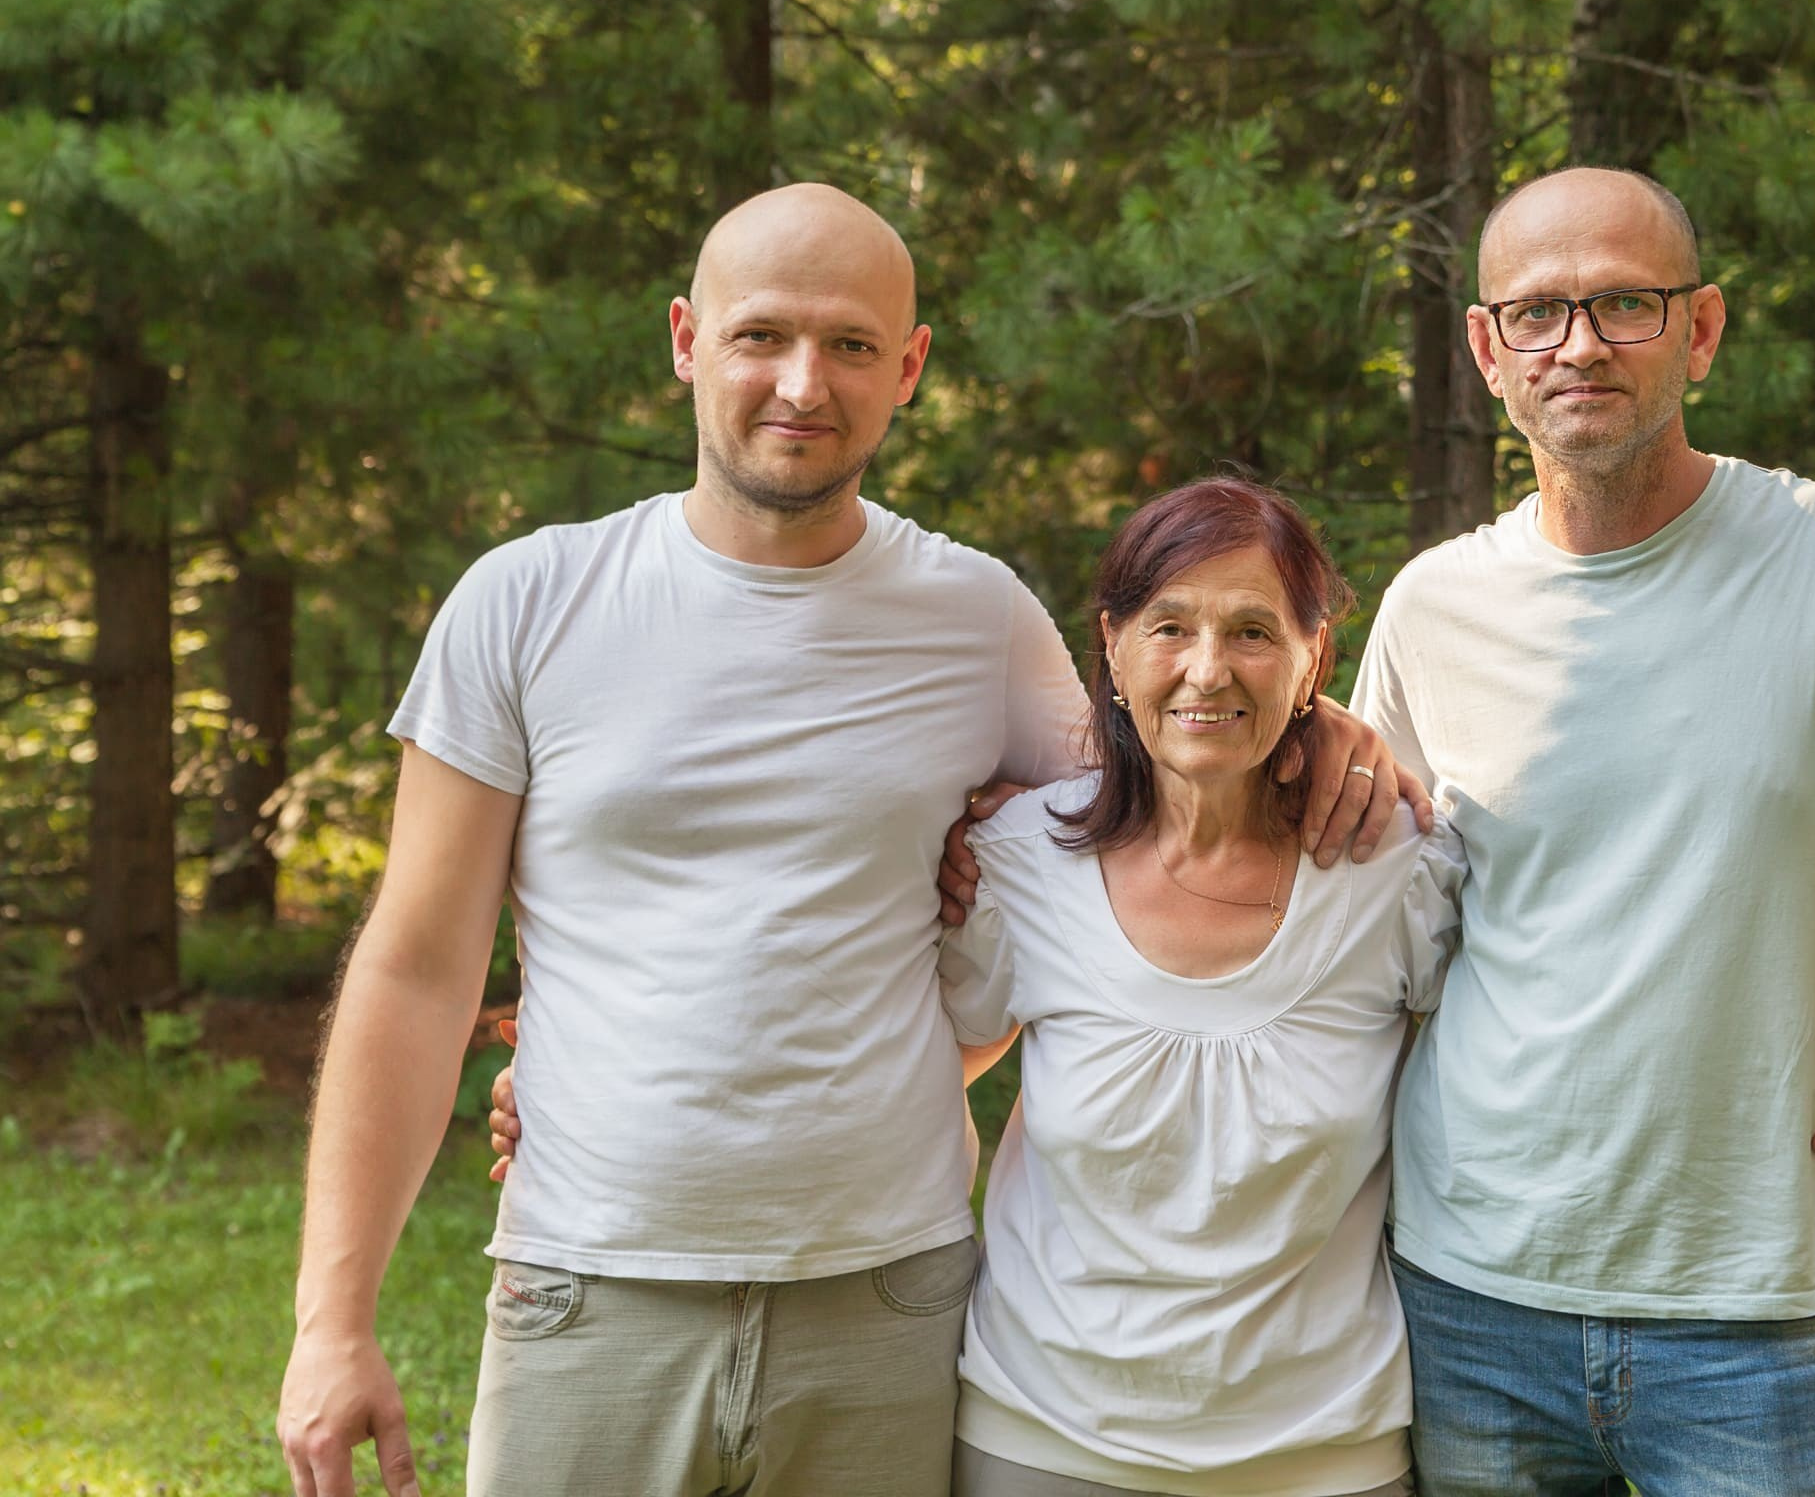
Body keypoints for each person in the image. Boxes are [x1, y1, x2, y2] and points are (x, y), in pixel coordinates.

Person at [274, 184, 1417, 1497]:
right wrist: (332, 1323)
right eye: (762, 335)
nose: (802, 382)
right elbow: (415, 969)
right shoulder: (527, 604)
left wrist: (1322, 733)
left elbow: (1163, 802)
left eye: (853, 345)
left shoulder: (975, 618)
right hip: (592, 1288)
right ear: (686, 339)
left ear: (910, 368)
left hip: (887, 1304)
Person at [492, 477, 1815, 1496]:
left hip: (1325, 1452)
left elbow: (1562, 1007)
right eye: (1169, 627)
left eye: (1251, 632)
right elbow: (886, 1036)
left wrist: (1814, 1071)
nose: (1207, 670)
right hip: (1042, 1439)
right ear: (1108, 646)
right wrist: (578, 1085)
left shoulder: (1393, 872)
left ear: (1313, 661)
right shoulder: (1017, 863)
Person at [1349, 167, 1815, 1497]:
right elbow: (1368, 956)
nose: (1580, 344)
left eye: (1626, 302)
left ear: (1704, 328)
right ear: (1485, 349)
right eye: (1540, 313)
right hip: (1466, 1312)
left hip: (1760, 1319)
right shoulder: (1432, 610)